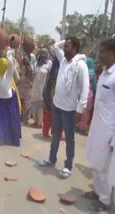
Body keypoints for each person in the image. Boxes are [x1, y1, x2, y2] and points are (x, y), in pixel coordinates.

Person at [39, 37, 89, 179]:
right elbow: (55, 46)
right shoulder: (63, 60)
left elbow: (85, 89)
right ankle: (51, 159)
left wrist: (80, 109)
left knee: (69, 138)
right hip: (57, 105)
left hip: (70, 109)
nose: (64, 48)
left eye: (67, 46)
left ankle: (68, 166)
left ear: (74, 49)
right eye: (65, 46)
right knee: (55, 134)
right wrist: (67, 39)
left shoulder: (80, 66)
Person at [84, 39, 115, 212]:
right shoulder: (104, 72)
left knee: (104, 166)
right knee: (95, 160)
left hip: (109, 129)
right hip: (97, 125)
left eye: (103, 51)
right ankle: (96, 192)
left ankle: (104, 200)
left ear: (113, 53)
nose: (100, 55)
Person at [0, 48, 21, 146]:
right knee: (0, 120)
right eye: (1, 64)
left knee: (9, 119)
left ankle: (10, 139)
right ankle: (0, 139)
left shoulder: (9, 71)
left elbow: (10, 63)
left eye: (3, 65)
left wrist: (8, 53)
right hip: (0, 99)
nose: (1, 66)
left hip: (9, 99)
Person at [29, 48, 52, 128]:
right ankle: (35, 121)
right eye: (42, 53)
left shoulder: (49, 64)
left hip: (43, 86)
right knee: (34, 104)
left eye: (44, 53)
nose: (43, 55)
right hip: (35, 86)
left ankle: (40, 123)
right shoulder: (36, 63)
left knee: (41, 105)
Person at [76, 58, 97, 135]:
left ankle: (82, 128)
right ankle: (81, 126)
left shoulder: (90, 72)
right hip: (89, 93)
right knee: (85, 112)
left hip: (89, 93)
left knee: (85, 112)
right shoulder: (91, 71)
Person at [42, 56, 60, 138]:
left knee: (48, 112)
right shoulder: (60, 67)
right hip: (55, 92)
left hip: (48, 91)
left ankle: (46, 131)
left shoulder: (52, 65)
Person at [18, 53, 34, 123]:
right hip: (21, 84)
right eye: (24, 59)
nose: (25, 60)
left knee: (26, 102)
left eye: (26, 59)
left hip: (27, 85)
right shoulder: (21, 65)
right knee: (20, 101)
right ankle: (20, 115)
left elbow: (31, 77)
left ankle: (25, 117)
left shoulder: (30, 67)